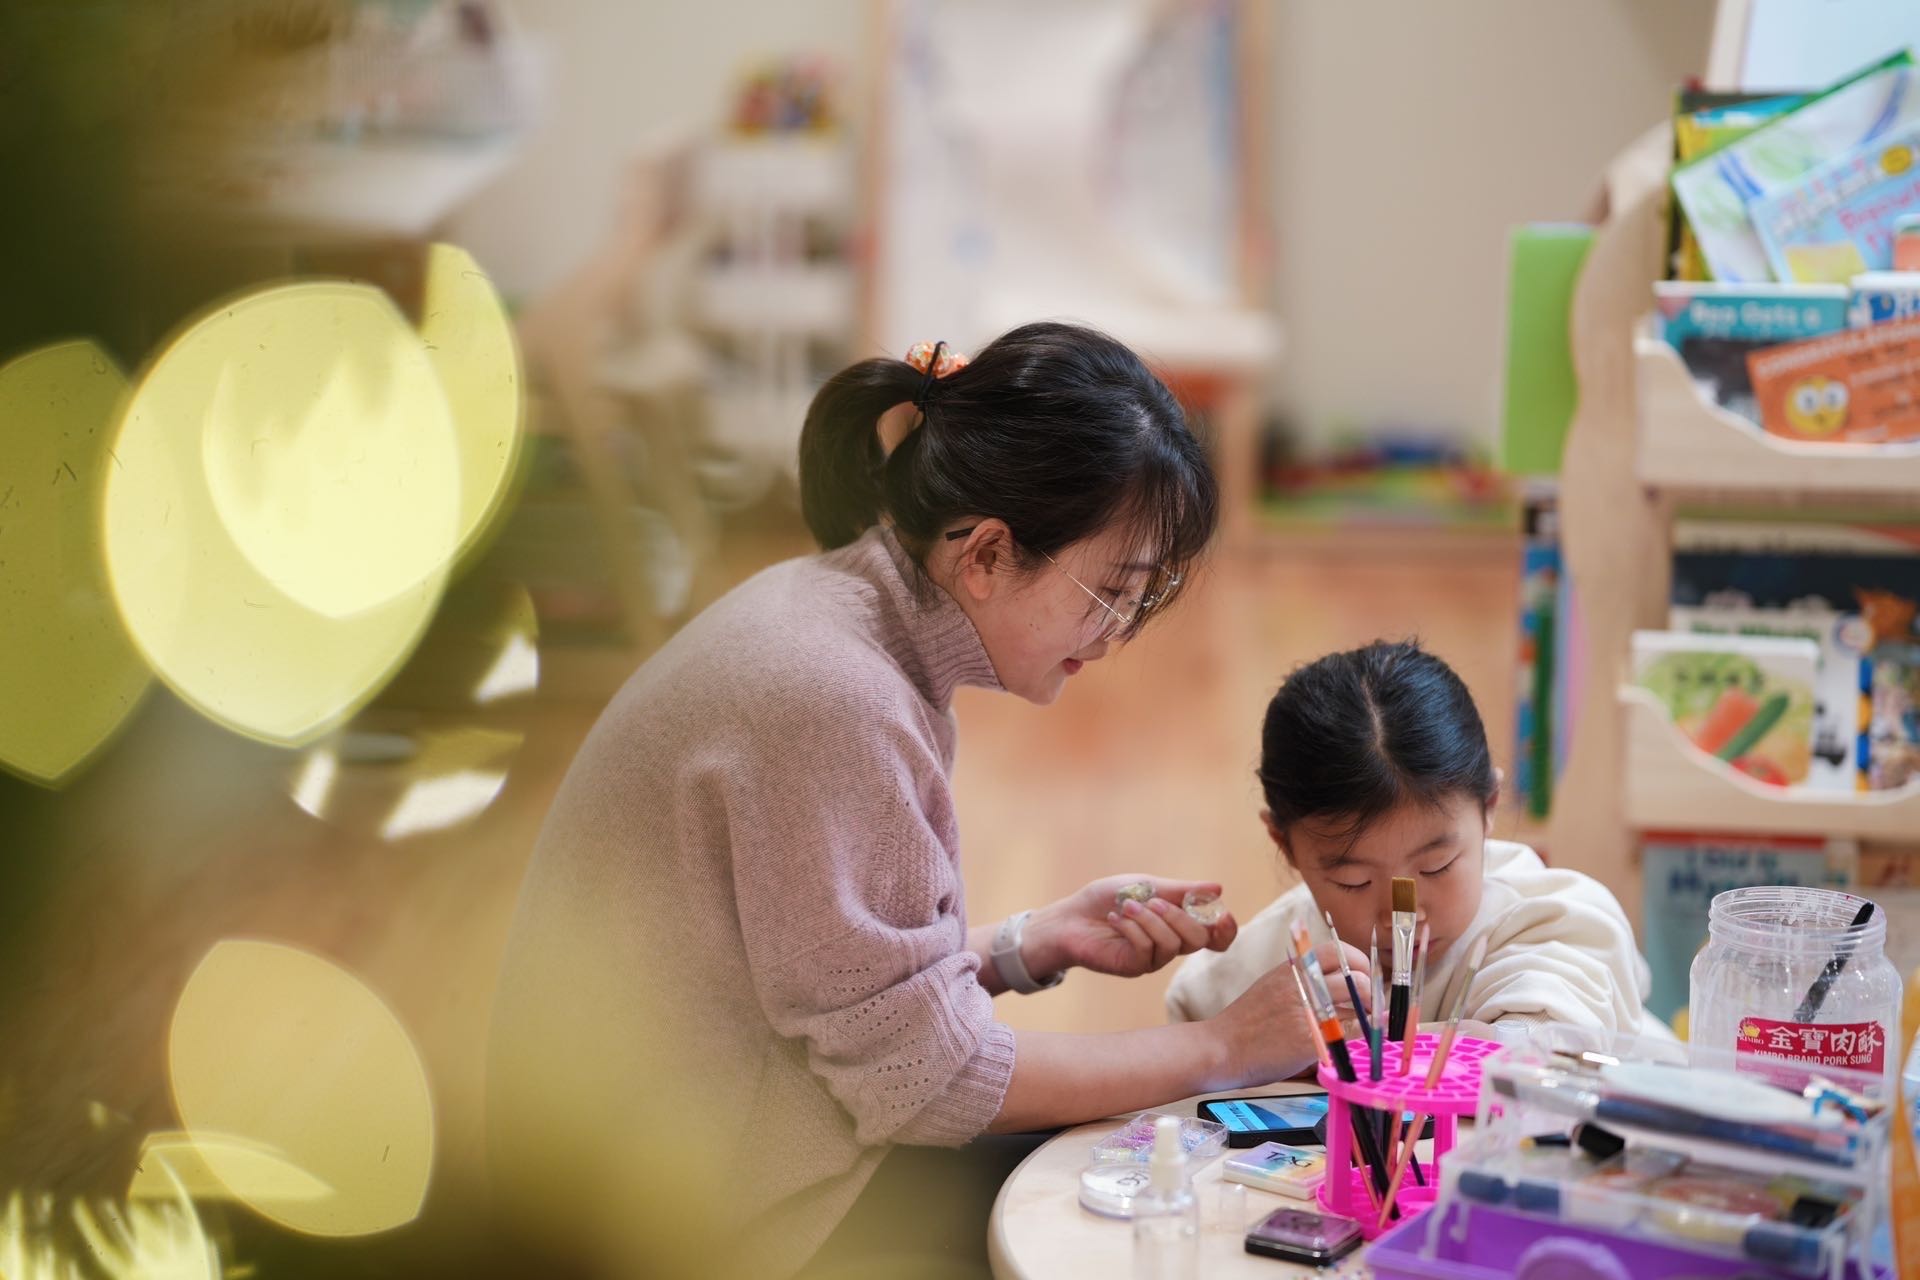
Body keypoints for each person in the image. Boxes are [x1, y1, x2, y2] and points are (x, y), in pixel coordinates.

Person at [487, 323, 1357, 1280]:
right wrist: (1224, 1047)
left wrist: (1027, 944)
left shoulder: (839, 620)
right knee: (1155, 1200)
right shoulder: (835, 696)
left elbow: (820, 982)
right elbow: (928, 1084)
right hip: (683, 1223)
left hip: (690, 1158)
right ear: (984, 555)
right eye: (1112, 595)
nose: (1117, 636)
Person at [1167, 640, 1672, 1045]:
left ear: (1490, 807)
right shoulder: (1257, 965)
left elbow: (1545, 1039)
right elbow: (1197, 1065)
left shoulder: (1550, 920)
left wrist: (1363, 1054)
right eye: (1353, 880)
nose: (1399, 915)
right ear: (1285, 844)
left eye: (1436, 867)